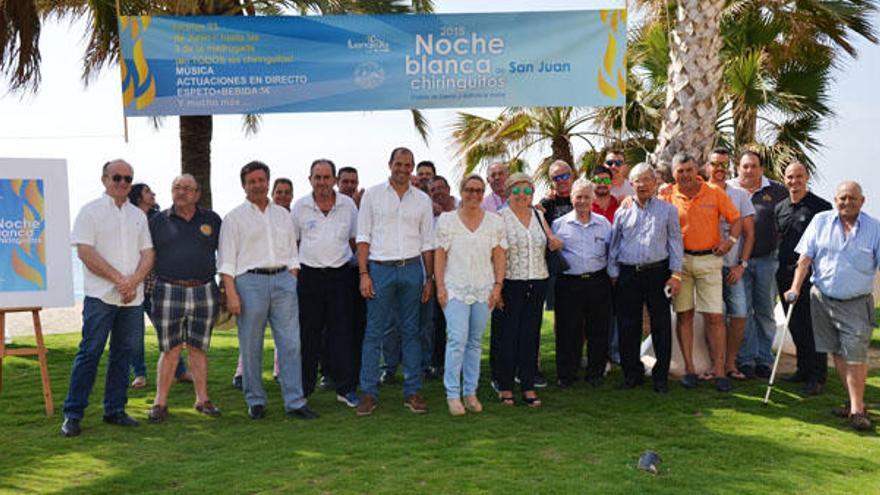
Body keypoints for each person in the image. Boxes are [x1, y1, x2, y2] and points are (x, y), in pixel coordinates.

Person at [218, 161, 318, 421]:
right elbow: (226, 262)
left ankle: (295, 401)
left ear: (267, 182)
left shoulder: (283, 215)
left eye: (261, 180)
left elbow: (293, 253)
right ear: (244, 185)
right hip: (249, 283)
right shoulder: (233, 218)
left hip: (283, 280)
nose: (257, 185)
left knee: (291, 343)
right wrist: (231, 293)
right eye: (251, 181)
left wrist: (291, 276)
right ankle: (255, 400)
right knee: (251, 344)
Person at [61, 159, 154, 437]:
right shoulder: (89, 212)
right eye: (117, 178)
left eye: (128, 178)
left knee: (122, 356)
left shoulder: (138, 215)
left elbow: (148, 253)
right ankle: (73, 414)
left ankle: (115, 410)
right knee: (89, 353)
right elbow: (85, 253)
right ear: (104, 179)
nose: (123, 183)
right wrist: (120, 281)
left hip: (131, 299)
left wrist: (133, 283)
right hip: (101, 297)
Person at [785, 181, 879, 431]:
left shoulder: (875, 228)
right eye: (842, 198)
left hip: (857, 303)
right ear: (835, 200)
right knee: (836, 351)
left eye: (852, 198)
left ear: (862, 201)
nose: (846, 203)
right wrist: (795, 287)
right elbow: (805, 259)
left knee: (855, 354)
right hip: (822, 299)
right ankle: (852, 402)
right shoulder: (820, 222)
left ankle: (858, 411)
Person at [355, 147, 434, 416]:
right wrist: (364, 274)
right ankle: (368, 393)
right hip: (380, 269)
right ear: (389, 164)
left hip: (412, 269)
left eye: (407, 165)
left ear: (412, 167)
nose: (402, 169)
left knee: (412, 332)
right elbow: (363, 236)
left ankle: (412, 392)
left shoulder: (422, 200)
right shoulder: (373, 195)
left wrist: (429, 278)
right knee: (374, 333)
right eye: (398, 164)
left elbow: (427, 242)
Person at [660, 153, 740, 392]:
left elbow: (735, 219)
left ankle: (719, 371)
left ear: (697, 170)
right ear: (673, 173)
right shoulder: (667, 195)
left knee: (714, 316)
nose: (684, 175)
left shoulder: (714, 192)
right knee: (684, 315)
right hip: (679, 263)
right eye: (679, 171)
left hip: (709, 260)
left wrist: (730, 241)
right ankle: (690, 369)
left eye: (688, 170)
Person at [146, 174, 222, 423]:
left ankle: (202, 399)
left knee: (199, 347)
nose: (181, 192)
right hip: (168, 289)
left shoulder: (212, 220)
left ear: (198, 193)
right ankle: (160, 402)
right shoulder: (157, 221)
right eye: (177, 187)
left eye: (188, 188)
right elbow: (147, 256)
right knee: (170, 349)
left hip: (204, 290)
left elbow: (227, 253)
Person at [434, 174, 506, 415]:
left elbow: (499, 256)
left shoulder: (495, 222)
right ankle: (452, 394)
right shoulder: (447, 220)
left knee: (475, 343)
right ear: (461, 191)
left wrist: (497, 287)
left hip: (483, 289)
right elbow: (440, 254)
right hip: (454, 288)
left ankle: (470, 392)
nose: (473, 195)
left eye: (478, 190)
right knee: (457, 339)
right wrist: (440, 287)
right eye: (469, 190)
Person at [291, 159, 361, 408]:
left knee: (342, 334)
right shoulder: (300, 207)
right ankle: (303, 390)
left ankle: (345, 388)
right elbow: (293, 245)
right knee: (308, 335)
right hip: (309, 277)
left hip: (340, 276)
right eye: (317, 177)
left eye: (326, 177)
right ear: (310, 179)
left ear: (334, 180)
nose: (322, 182)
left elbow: (355, 241)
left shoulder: (348, 205)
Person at [609, 163, 683, 392]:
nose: (642, 185)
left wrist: (676, 274)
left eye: (647, 179)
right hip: (629, 274)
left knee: (661, 324)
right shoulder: (622, 212)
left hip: (657, 273)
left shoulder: (668, 210)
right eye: (638, 181)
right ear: (631, 185)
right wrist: (613, 274)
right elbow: (614, 245)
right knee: (628, 325)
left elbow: (675, 242)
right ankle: (632, 374)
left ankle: (660, 376)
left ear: (655, 182)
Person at [494, 173, 563, 407]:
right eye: (517, 191)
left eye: (527, 191)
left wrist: (556, 242)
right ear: (508, 193)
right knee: (508, 336)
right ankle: (505, 386)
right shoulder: (499, 218)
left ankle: (528, 384)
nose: (522, 196)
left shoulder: (537, 214)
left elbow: (551, 238)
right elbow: (495, 255)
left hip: (538, 281)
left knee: (530, 336)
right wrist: (498, 288)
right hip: (510, 283)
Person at [730, 151, 788, 379]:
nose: (749, 170)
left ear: (761, 169)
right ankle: (746, 359)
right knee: (742, 312)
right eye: (745, 166)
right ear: (738, 168)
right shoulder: (728, 189)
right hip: (736, 264)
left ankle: (764, 359)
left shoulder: (777, 190)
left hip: (766, 261)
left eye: (754, 166)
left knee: (764, 311)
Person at [775, 162, 832, 395]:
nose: (794, 181)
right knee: (795, 324)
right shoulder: (780, 207)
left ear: (807, 177)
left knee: (812, 326)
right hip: (785, 274)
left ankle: (818, 376)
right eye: (790, 177)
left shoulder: (821, 207)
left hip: (811, 275)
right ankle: (803, 370)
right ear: (784, 179)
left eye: (799, 176)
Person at [126, 183, 190, 389]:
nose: (153, 193)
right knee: (134, 335)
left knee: (168, 331)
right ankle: (140, 373)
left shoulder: (159, 220)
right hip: (134, 286)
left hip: (156, 286)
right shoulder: (128, 220)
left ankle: (179, 370)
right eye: (147, 191)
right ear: (137, 197)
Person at [551, 178, 612, 387]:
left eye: (587, 196)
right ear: (571, 198)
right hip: (569, 284)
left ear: (592, 198)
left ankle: (595, 373)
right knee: (569, 330)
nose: (583, 201)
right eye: (579, 197)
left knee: (598, 329)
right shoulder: (559, 225)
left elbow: (610, 253)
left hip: (597, 281)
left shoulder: (604, 224)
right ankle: (566, 374)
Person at [704, 149, 756, 381]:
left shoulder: (740, 194)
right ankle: (715, 365)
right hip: (708, 266)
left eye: (724, 164)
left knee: (740, 314)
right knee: (713, 316)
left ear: (729, 167)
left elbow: (749, 234)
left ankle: (730, 363)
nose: (719, 169)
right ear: (708, 166)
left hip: (733, 266)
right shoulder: (699, 191)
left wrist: (741, 265)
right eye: (715, 164)